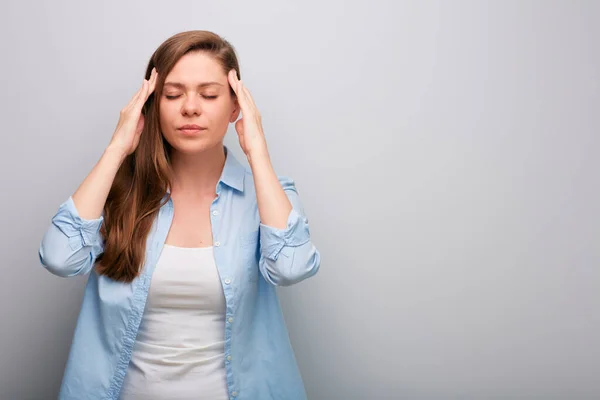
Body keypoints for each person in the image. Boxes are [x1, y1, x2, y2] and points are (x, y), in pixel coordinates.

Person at [38, 30, 321, 400]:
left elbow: (291, 267)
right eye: (172, 95)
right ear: (152, 105)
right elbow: (60, 258)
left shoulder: (269, 195)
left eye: (209, 94)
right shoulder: (120, 192)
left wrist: (258, 152)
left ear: (236, 106)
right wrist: (117, 148)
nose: (190, 107)